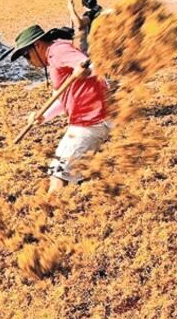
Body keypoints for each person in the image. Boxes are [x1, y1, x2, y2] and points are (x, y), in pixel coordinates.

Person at [7, 25, 110, 193]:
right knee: (74, 172)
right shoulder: (54, 56)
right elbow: (63, 99)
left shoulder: (58, 51)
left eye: (27, 55)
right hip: (89, 120)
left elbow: (91, 66)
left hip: (90, 120)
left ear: (38, 45)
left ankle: (51, 211)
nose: (29, 62)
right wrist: (44, 116)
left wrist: (84, 70)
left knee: (58, 173)